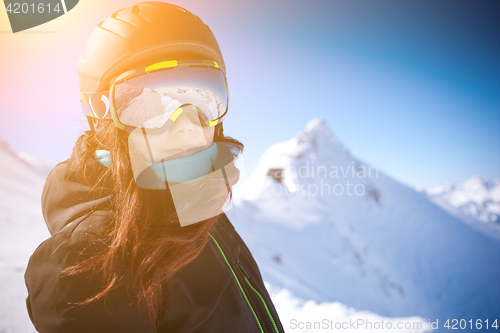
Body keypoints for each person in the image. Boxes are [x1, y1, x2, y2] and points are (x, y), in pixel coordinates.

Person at [24, 2, 285, 332]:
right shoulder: (89, 265)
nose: (188, 125)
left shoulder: (197, 203)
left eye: (205, 98)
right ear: (102, 114)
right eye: (152, 104)